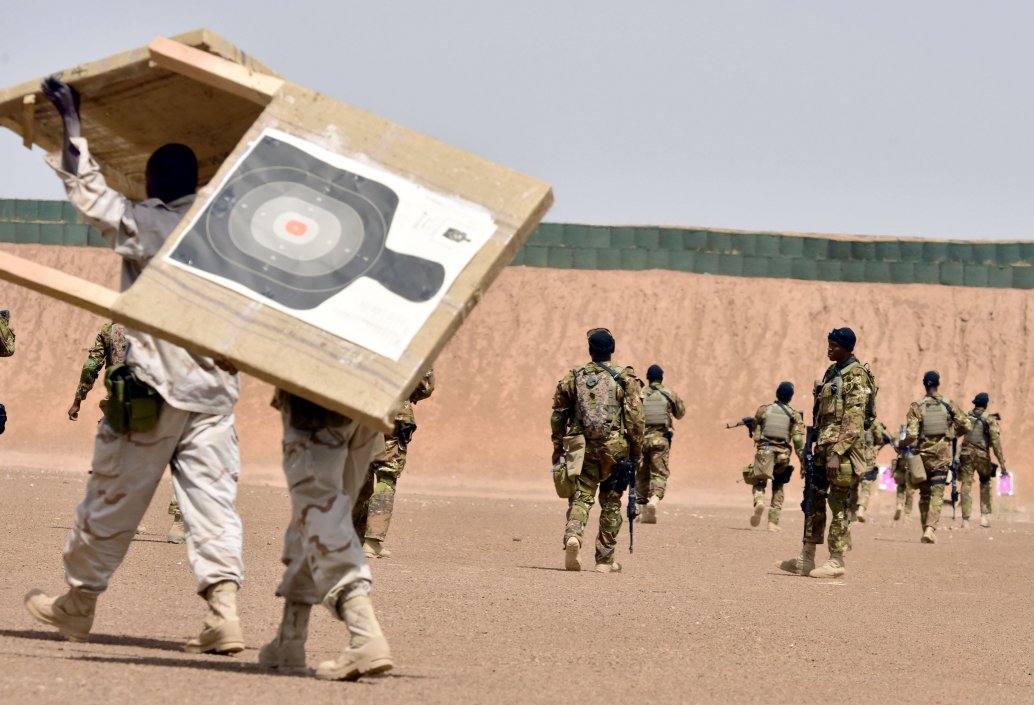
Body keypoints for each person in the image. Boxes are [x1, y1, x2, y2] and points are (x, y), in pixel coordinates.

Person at [24, 77, 245, 654]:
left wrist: (72, 122)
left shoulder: (149, 224)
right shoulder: (226, 236)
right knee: (213, 506)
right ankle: (224, 614)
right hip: (215, 396)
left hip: (154, 394)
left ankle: (78, 604)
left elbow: (89, 193)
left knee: (111, 501)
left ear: (151, 184)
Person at [258, 392, 394, 681]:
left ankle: (364, 631)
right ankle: (290, 637)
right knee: (322, 513)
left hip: (320, 394)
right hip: (372, 394)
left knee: (319, 507)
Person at [67, 321, 186, 544]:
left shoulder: (110, 328)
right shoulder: (169, 324)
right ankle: (179, 524)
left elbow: (91, 366)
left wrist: (78, 400)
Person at [777, 327, 876, 579]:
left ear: (846, 347)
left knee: (839, 503)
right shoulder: (832, 373)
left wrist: (838, 452)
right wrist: (809, 448)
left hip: (840, 452)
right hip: (821, 446)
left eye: (834, 345)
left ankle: (836, 560)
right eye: (828, 344)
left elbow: (854, 420)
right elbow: (820, 415)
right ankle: (806, 558)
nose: (829, 349)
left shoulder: (857, 376)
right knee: (813, 501)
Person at [550, 328, 644, 573]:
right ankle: (604, 560)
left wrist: (557, 446)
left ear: (590, 350)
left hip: (582, 449)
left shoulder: (574, 377)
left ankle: (573, 537)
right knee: (611, 503)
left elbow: (559, 414)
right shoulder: (625, 377)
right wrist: (636, 450)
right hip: (617, 451)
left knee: (581, 497)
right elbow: (635, 417)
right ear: (611, 350)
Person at [354, 368, 436, 558]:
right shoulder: (406, 341)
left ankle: (354, 540)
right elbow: (426, 385)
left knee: (360, 473)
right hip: (395, 414)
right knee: (386, 476)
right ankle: (372, 543)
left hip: (360, 411)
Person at [900, 371, 971, 543]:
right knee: (937, 492)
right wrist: (953, 434)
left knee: (924, 494)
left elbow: (911, 434)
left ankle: (925, 528)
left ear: (924, 384)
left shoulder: (917, 405)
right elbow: (966, 425)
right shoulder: (948, 404)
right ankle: (931, 529)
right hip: (941, 457)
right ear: (938, 384)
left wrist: (903, 445)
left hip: (922, 457)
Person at [746, 382, 804, 532]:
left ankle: (759, 501)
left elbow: (755, 427)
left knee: (759, 481)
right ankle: (773, 522)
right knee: (778, 485)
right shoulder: (794, 415)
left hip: (764, 451)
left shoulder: (764, 409)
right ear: (790, 398)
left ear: (777, 394)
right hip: (783, 455)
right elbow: (797, 439)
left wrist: (750, 425)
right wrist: (802, 459)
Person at [635, 364, 685, 524]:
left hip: (642, 441)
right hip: (661, 440)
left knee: (642, 475)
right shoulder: (668, 394)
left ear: (648, 379)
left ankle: (643, 513)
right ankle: (654, 500)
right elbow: (680, 413)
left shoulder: (640, 394)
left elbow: (632, 416)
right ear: (661, 378)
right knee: (659, 473)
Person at [958, 392, 1007, 529]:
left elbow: (956, 434)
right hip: (982, 456)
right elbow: (996, 444)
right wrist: (1002, 464)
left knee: (966, 485)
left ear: (975, 403)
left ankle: (965, 520)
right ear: (986, 404)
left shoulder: (966, 417)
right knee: (985, 484)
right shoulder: (990, 420)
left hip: (966, 455)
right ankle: (985, 518)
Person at [852, 418, 891, 522]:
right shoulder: (873, 422)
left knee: (853, 485)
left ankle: (851, 513)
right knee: (866, 485)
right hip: (868, 457)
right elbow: (879, 439)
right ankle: (861, 509)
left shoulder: (852, 417)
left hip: (854, 456)